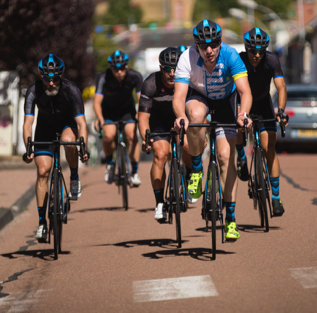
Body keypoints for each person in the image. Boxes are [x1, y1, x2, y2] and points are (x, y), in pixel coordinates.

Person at [173, 20, 252, 241]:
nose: (209, 50)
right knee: (195, 116)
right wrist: (180, 116)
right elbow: (179, 96)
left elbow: (245, 92)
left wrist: (243, 115)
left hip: (226, 101)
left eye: (214, 44)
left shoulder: (231, 55)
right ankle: (197, 170)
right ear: (196, 45)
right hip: (199, 98)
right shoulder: (187, 57)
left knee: (226, 158)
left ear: (220, 42)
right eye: (203, 45)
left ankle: (231, 219)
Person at [23, 54, 89, 243]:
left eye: (55, 79)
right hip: (44, 128)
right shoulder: (33, 90)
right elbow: (27, 124)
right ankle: (42, 222)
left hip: (67, 125)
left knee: (69, 142)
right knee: (43, 171)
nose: (51, 83)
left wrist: (82, 146)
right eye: (46, 78)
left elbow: (81, 123)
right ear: (41, 76)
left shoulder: (71, 90)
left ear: (61, 76)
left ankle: (74, 177)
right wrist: (29, 147)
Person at [235, 28, 288, 217]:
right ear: (246, 48)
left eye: (261, 51)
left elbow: (281, 87)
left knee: (269, 147)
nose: (257, 55)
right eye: (253, 51)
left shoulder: (271, 60)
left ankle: (276, 197)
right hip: (243, 104)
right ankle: (241, 156)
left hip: (264, 104)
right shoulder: (238, 60)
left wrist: (281, 111)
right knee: (239, 129)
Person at [138, 47, 192, 222]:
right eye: (167, 69)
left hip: (180, 119)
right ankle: (160, 202)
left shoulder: (186, 81)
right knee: (160, 155)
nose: (171, 73)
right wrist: (145, 138)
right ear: (161, 69)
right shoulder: (150, 83)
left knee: (186, 145)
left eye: (175, 68)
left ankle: (190, 174)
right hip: (158, 122)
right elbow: (143, 118)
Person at [93, 50, 144, 186]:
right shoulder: (103, 77)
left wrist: (140, 113)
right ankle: (110, 164)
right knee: (108, 136)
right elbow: (97, 101)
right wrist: (100, 118)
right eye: (116, 69)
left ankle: (134, 172)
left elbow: (142, 99)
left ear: (127, 67)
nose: (119, 72)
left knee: (132, 136)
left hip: (127, 111)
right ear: (111, 68)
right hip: (109, 112)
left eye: (122, 68)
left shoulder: (135, 76)